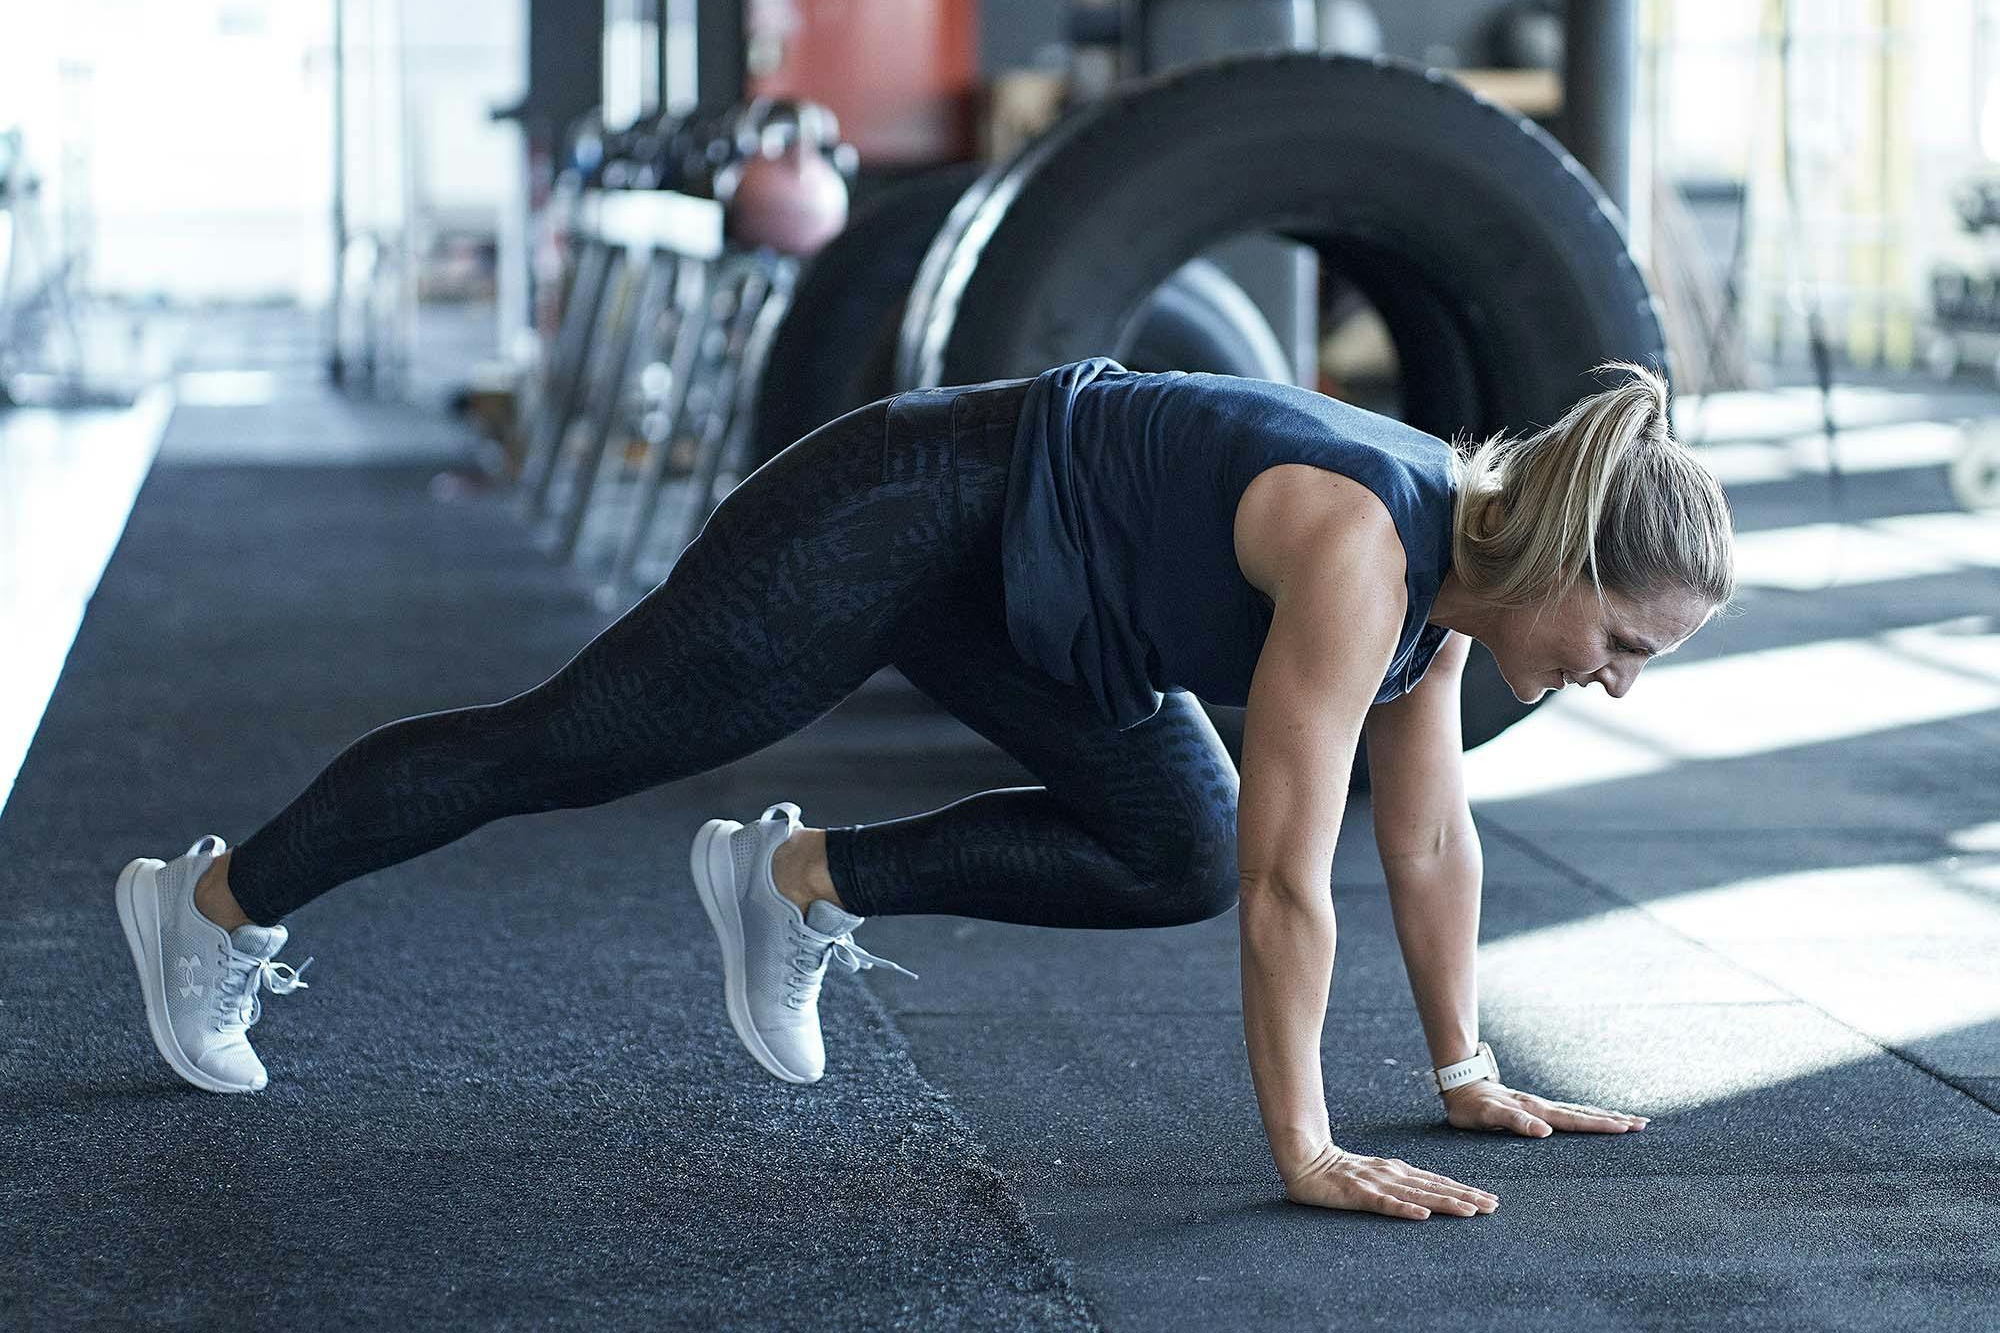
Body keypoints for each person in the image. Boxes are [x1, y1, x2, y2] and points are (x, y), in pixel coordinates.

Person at [114, 354, 1734, 1224]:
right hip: (902, 511)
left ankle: (794, 880)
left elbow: (1428, 830)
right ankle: (207, 904)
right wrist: (1303, 1149)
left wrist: (1463, 1065)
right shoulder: (1368, 548)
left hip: (1037, 609)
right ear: (1568, 559)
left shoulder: (1457, 579)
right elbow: (1289, 880)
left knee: (1163, 840)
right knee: (570, 743)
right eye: (1622, 640)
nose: (1617, 679)